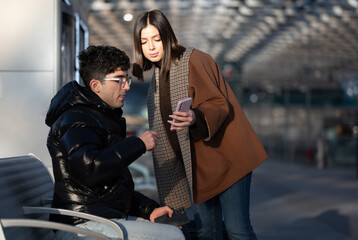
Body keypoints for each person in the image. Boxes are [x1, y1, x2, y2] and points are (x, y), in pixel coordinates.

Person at [132, 9, 268, 240]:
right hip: (195, 168)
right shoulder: (156, 78)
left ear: (168, 37)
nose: (151, 47)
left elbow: (219, 103)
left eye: (156, 39)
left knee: (237, 230)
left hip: (227, 158)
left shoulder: (194, 59)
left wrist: (194, 117)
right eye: (144, 41)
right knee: (205, 231)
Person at [45, 45, 185, 240]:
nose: (126, 86)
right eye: (119, 80)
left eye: (126, 79)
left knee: (178, 229)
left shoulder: (98, 117)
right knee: (172, 237)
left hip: (100, 219)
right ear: (96, 85)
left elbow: (111, 189)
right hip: (83, 225)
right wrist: (139, 144)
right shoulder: (77, 119)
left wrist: (149, 210)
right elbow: (89, 169)